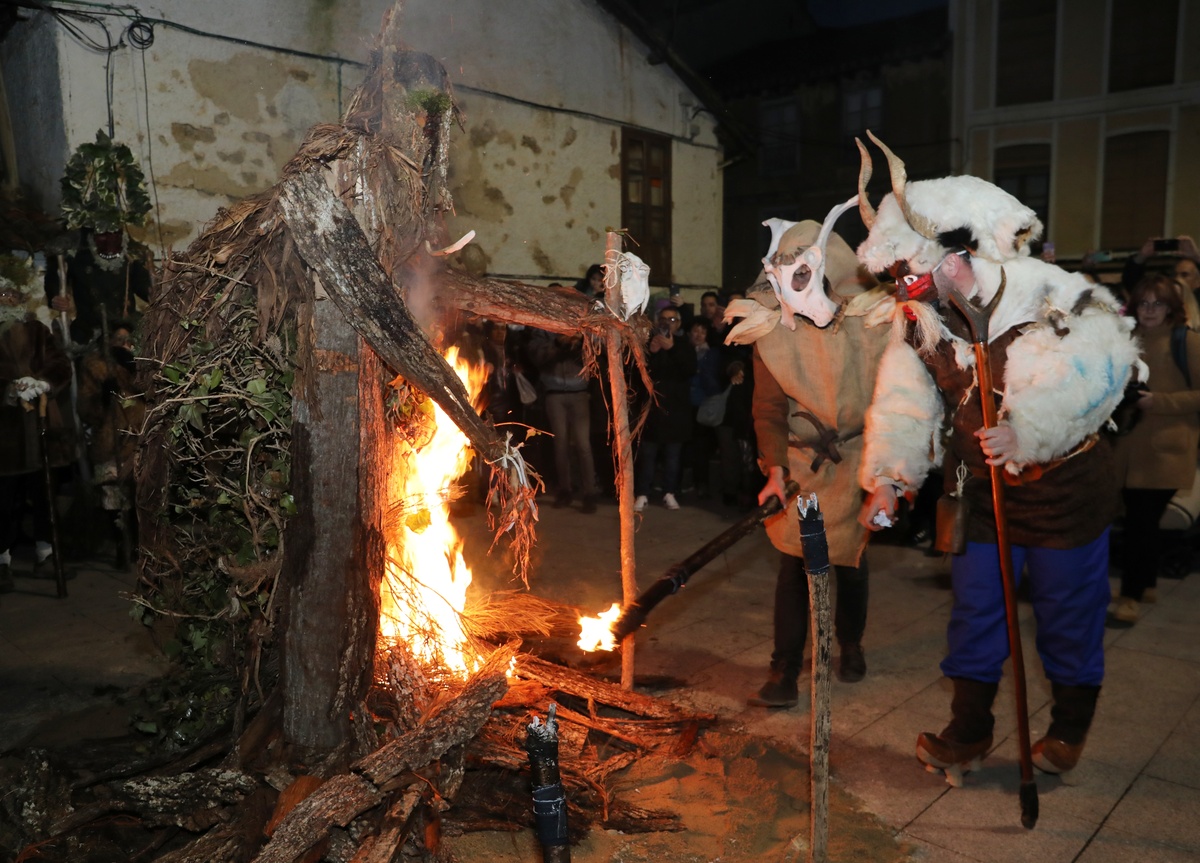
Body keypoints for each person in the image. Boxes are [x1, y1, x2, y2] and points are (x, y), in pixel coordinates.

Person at [853, 137, 1143, 781]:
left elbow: (1103, 369)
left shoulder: (1059, 296)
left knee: (1068, 618)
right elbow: (906, 401)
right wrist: (891, 479)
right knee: (978, 610)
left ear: (961, 255)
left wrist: (1029, 428)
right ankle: (971, 729)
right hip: (983, 494)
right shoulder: (921, 318)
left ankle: (1068, 728)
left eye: (914, 272)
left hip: (1065, 493)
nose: (907, 290)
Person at [726, 212, 889, 707]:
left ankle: (851, 643)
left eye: (801, 274)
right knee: (794, 564)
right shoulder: (771, 328)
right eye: (783, 277)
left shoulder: (873, 324)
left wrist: (889, 471)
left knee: (850, 562)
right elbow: (769, 409)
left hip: (858, 454)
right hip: (802, 463)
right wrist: (774, 468)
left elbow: (895, 397)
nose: (790, 288)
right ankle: (785, 669)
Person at [1108, 273, 1200, 627]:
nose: (1149, 310)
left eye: (1157, 304)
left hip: (1165, 451)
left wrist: (1158, 402)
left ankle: (1129, 597)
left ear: (1171, 309)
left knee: (1140, 525)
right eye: (1143, 303)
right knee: (1140, 523)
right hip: (1128, 448)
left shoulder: (1186, 342)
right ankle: (1145, 583)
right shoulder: (1130, 340)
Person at [0, 252, 75, 586]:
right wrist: (10, 390)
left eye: (12, 295)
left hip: (43, 426)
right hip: (6, 434)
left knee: (45, 494)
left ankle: (46, 554)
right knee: (4, 499)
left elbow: (60, 363)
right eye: (1, 296)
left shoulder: (37, 330)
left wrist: (43, 382)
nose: (8, 300)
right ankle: (2, 560)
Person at [77, 319, 144, 568]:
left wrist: (133, 372)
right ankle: (120, 545)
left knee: (138, 492)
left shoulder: (142, 361)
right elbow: (85, 408)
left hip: (138, 435)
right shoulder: (95, 365)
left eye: (129, 339)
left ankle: (139, 544)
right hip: (110, 437)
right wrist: (102, 398)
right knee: (113, 495)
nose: (126, 344)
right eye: (120, 339)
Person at [527, 326, 598, 513]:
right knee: (561, 444)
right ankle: (564, 489)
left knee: (583, 444)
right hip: (554, 392)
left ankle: (589, 492)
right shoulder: (545, 329)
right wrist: (558, 343)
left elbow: (600, 350)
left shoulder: (584, 328)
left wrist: (581, 341)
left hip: (580, 392)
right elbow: (536, 356)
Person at [634, 305, 696, 511]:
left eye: (671, 320)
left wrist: (672, 349)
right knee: (648, 456)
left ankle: (669, 492)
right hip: (653, 411)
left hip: (676, 412)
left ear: (678, 323)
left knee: (672, 456)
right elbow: (639, 374)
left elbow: (688, 370)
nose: (666, 323)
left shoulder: (685, 345)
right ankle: (642, 493)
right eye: (663, 319)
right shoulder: (649, 343)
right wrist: (651, 353)